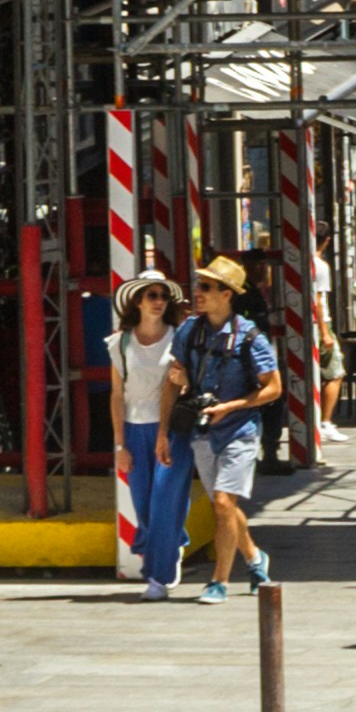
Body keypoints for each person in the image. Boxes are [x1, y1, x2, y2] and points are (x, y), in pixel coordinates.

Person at [167, 256, 282, 602]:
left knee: (221, 502)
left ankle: (219, 582)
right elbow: (174, 378)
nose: (197, 292)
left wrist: (231, 407)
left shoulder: (250, 338)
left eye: (205, 287)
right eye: (198, 285)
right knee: (225, 507)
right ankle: (254, 557)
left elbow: (273, 388)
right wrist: (167, 422)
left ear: (227, 294)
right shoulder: (190, 331)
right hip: (203, 432)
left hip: (240, 431)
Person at [112, 275, 192, 602]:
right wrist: (119, 444)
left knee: (164, 499)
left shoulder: (180, 338)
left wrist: (184, 378)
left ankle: (158, 576)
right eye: (151, 295)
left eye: (163, 296)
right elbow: (117, 395)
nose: (158, 301)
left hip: (172, 429)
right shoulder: (120, 343)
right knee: (144, 505)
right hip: (134, 429)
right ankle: (174, 543)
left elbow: (188, 381)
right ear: (138, 302)